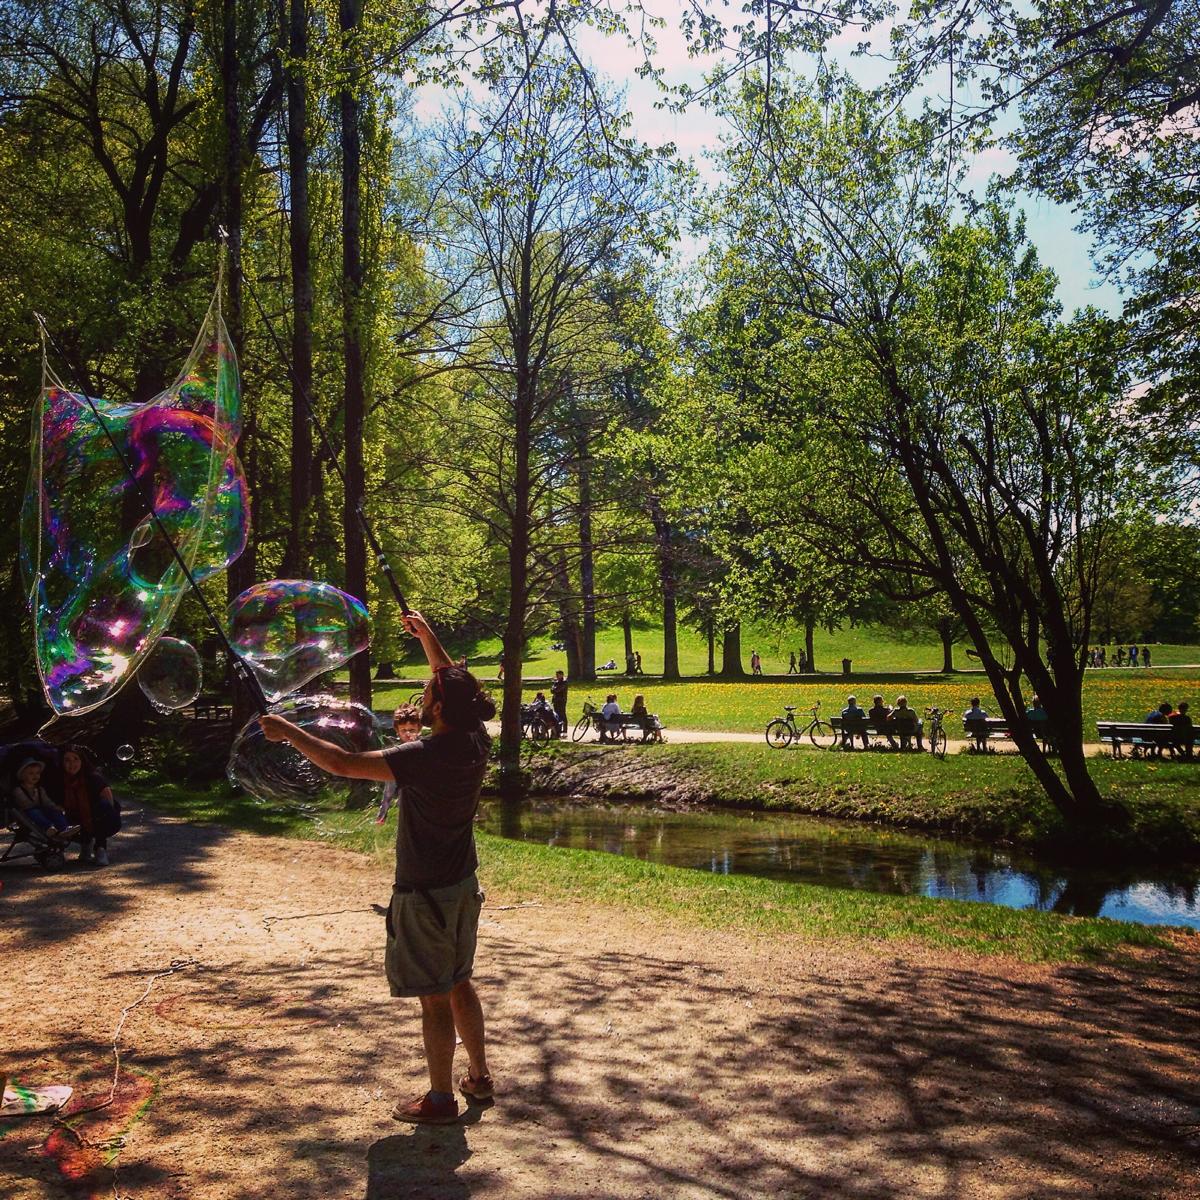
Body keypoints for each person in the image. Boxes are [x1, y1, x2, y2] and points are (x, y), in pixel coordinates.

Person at [260, 611, 496, 1126]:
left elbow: (344, 764)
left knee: (434, 997)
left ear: (437, 708)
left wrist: (288, 732)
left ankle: (439, 1101)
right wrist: (428, 636)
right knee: (459, 981)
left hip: (425, 892)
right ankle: (478, 1077)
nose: (422, 695)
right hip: (462, 885)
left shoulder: (425, 754)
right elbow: (452, 681)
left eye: (428, 693)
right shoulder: (476, 737)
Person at [56, 744, 120, 865]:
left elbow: (109, 805)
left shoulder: (93, 778)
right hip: (73, 818)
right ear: (62, 762)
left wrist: (100, 823)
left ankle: (100, 848)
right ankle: (85, 843)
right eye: (67, 760)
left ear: (82, 761)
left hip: (97, 817)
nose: (72, 764)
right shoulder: (59, 781)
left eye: (76, 759)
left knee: (103, 806)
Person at [9, 760, 78, 842]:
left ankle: (64, 828)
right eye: (31, 773)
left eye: (37, 773)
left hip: (41, 810)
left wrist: (54, 807)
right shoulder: (18, 790)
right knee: (34, 812)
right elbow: (25, 804)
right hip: (26, 813)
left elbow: (46, 801)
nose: (35, 776)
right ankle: (49, 827)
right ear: (23, 776)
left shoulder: (39, 789)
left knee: (55, 811)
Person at [377, 704, 424, 824]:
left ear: (419, 729)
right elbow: (389, 790)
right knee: (390, 789)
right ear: (397, 730)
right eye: (403, 730)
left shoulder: (424, 748)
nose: (408, 734)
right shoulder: (397, 752)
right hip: (405, 797)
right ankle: (382, 816)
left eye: (412, 730)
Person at [550, 670, 568, 736]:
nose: (557, 676)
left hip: (561, 701)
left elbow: (557, 690)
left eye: (558, 675)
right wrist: (554, 689)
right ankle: (558, 730)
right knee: (556, 715)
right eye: (556, 675)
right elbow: (552, 690)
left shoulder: (564, 682)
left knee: (562, 715)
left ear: (562, 675)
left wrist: (554, 689)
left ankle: (565, 730)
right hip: (556, 701)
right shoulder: (556, 682)